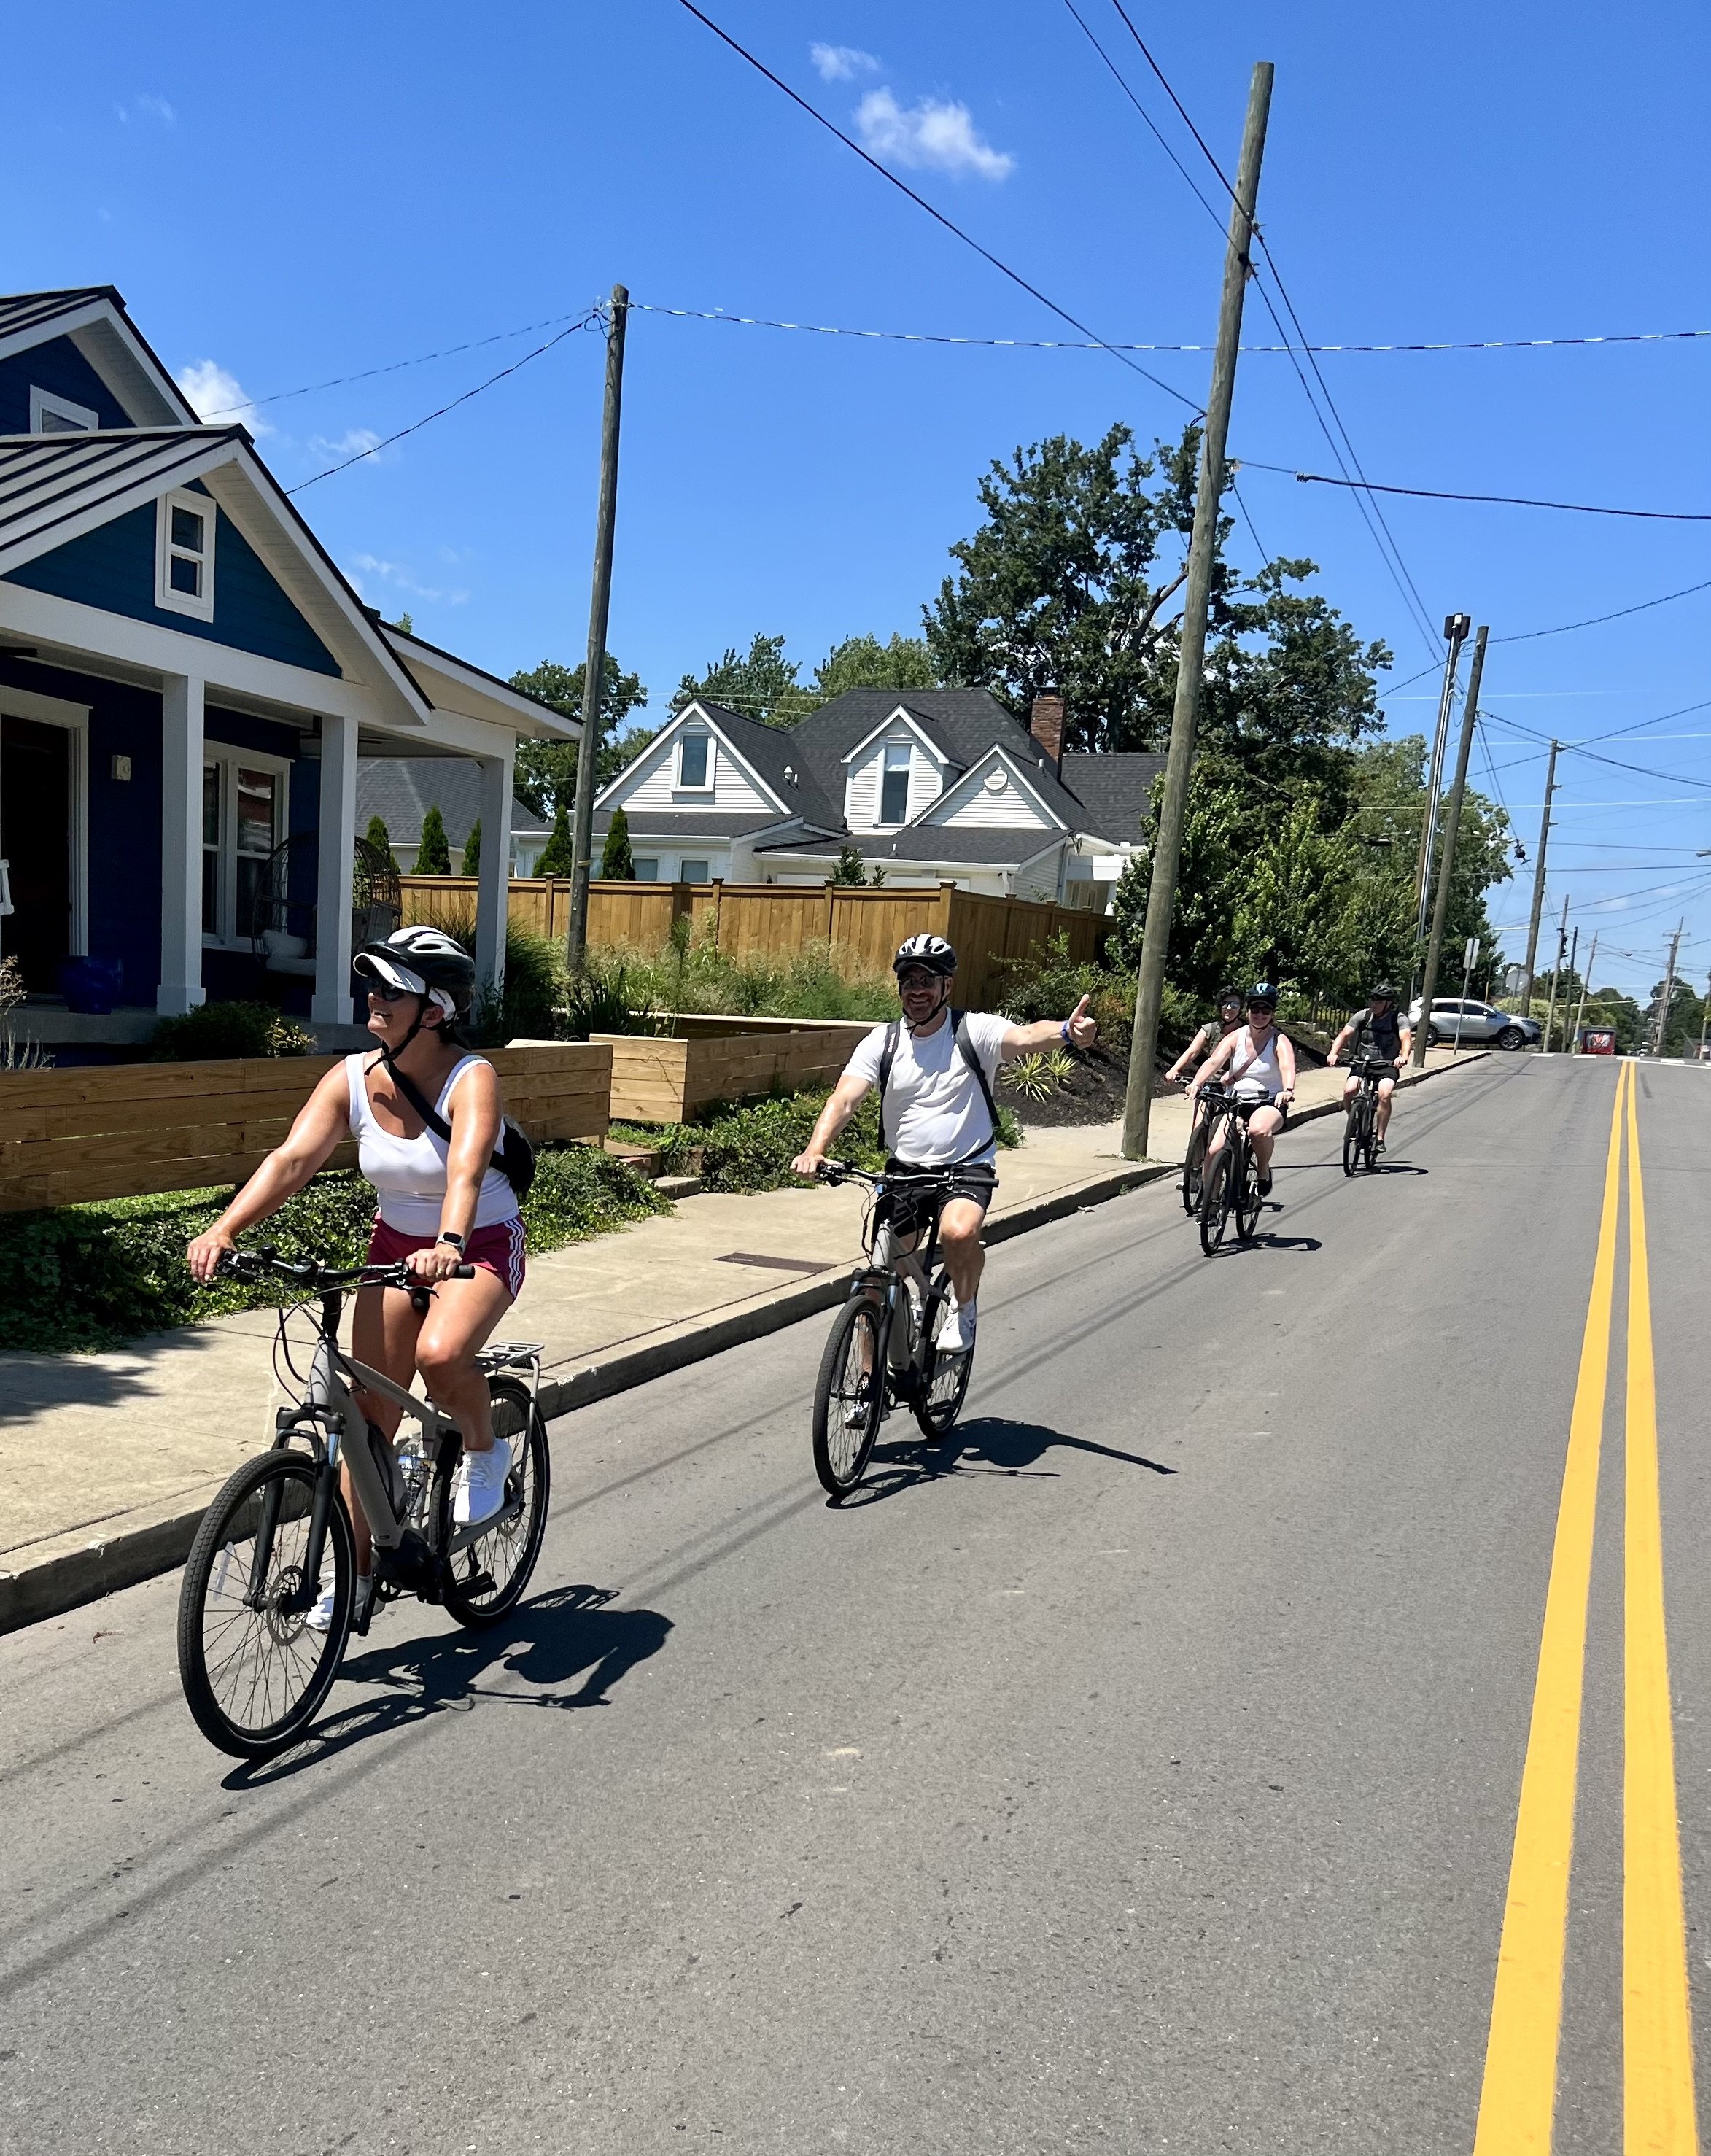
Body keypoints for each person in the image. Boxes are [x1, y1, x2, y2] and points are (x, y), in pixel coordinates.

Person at [186, 926, 525, 1626]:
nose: (372, 998)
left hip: (480, 1242)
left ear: (433, 1010)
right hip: (394, 1247)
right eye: (371, 985)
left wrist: (451, 1242)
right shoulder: (351, 1077)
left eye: (390, 990)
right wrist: (226, 1228)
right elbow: (290, 1161)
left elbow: (465, 1170)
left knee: (438, 1354)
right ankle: (354, 1579)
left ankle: (485, 1447)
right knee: (368, 1419)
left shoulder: (473, 1077)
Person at [790, 934, 1098, 1351]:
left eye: (927, 981)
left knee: (957, 1233)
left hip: (966, 1166)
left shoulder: (973, 1030)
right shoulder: (882, 1043)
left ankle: (962, 1308)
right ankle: (866, 1388)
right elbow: (844, 1099)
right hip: (905, 1171)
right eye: (908, 981)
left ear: (946, 987)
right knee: (876, 1280)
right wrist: (815, 1149)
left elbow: (1026, 1037)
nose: (917, 991)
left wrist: (1066, 1031)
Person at [1187, 982, 1297, 1198]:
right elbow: (1214, 1062)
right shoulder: (1236, 1036)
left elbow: (1287, 1066)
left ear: (1272, 1014)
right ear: (1248, 1011)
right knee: (1214, 1150)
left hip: (1268, 1102)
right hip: (1236, 1102)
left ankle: (1263, 1170)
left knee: (1258, 1130)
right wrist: (1197, 1083)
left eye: (1266, 1010)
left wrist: (1288, 1089)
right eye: (1255, 1009)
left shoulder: (1279, 1040)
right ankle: (1211, 1200)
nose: (1260, 1014)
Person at [1327, 982, 1413, 1151]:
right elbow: (1344, 1034)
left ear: (1389, 1004)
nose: (1373, 1005)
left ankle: (1380, 1138)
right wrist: (1333, 1053)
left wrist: (1403, 1057)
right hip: (1363, 1062)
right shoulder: (1363, 1016)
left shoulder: (1398, 1019)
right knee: (1349, 1091)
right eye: (1372, 1001)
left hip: (1387, 1064)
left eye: (1379, 1002)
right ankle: (1354, 1121)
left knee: (1384, 1094)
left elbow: (1406, 1038)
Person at [1165, 985, 1245, 1085]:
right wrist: (1175, 1069)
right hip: (1213, 1082)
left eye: (1234, 1004)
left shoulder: (1248, 1030)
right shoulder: (1209, 1029)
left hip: (1240, 1082)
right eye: (1225, 1004)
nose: (1229, 1008)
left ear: (1240, 1008)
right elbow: (1192, 1052)